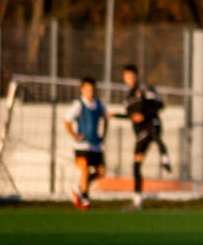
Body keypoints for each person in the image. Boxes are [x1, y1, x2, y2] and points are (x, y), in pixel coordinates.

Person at [116, 64, 171, 209]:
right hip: (140, 133)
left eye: (132, 76)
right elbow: (130, 115)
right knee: (136, 165)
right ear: (124, 78)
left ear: (136, 76)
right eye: (127, 77)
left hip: (151, 125)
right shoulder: (128, 97)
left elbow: (160, 104)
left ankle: (165, 156)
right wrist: (114, 115)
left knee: (154, 132)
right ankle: (137, 200)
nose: (130, 79)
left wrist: (144, 114)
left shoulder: (145, 89)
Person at [64, 77, 108, 210]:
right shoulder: (79, 104)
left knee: (100, 172)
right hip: (82, 145)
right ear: (82, 90)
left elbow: (105, 119)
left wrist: (103, 134)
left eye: (92, 89)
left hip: (96, 145)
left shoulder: (99, 104)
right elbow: (67, 120)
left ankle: (78, 188)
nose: (91, 92)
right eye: (88, 89)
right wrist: (74, 135)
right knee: (85, 169)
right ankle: (84, 197)